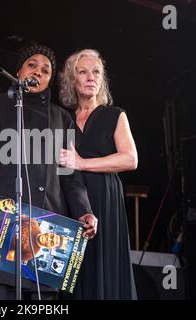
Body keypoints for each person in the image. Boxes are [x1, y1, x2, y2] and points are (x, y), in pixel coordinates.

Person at [0, 43, 97, 300]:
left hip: (46, 230)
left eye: (46, 70)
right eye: (32, 65)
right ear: (18, 71)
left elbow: (71, 176)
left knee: (40, 299)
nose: (38, 72)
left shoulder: (61, 118)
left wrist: (83, 210)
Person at [59, 49, 138, 299]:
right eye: (83, 72)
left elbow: (130, 159)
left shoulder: (115, 115)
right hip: (69, 200)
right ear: (72, 79)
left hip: (105, 198)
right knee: (73, 273)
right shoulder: (62, 118)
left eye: (96, 72)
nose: (91, 77)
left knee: (105, 268)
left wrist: (82, 164)